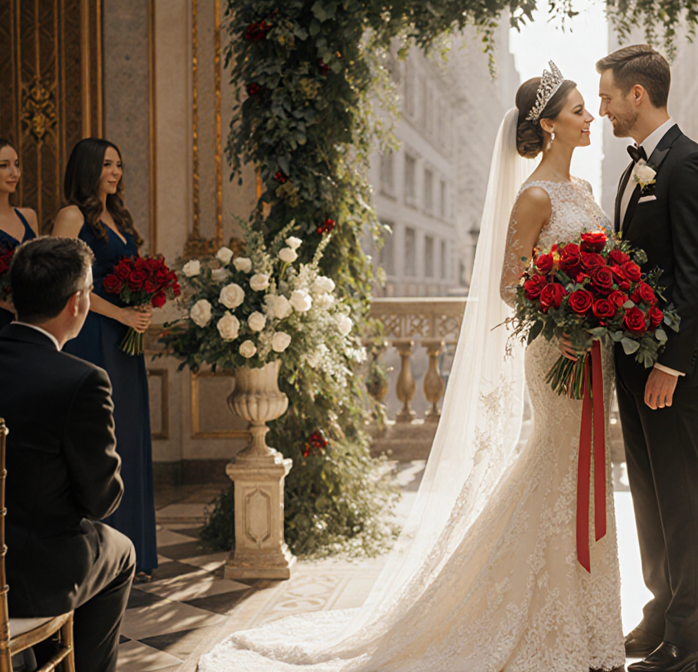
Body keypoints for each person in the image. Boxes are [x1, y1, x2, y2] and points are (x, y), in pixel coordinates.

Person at [200, 63, 624, 671]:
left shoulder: (582, 192)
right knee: (556, 463)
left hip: (595, 353)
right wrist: (565, 325)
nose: (590, 119)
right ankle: (524, 609)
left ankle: (583, 621)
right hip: (557, 351)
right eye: (580, 110)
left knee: (584, 469)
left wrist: (605, 310)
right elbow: (511, 283)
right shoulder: (534, 196)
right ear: (550, 124)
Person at [598, 44, 698, 672]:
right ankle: (660, 610)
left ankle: (691, 640)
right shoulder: (633, 170)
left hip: (672, 368)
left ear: (637, 96)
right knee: (648, 493)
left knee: (682, 494)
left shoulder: (690, 165)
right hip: (632, 360)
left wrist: (670, 366)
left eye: (607, 96)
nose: (603, 108)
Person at [0, 236, 135, 672]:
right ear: (77, 304)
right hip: (27, 581)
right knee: (120, 551)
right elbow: (101, 500)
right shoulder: (82, 381)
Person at [50, 138, 157, 580]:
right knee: (101, 440)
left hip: (123, 339)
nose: (116, 172)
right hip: (91, 336)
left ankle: (133, 552)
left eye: (119, 163)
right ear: (89, 167)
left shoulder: (119, 217)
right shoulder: (71, 215)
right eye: (107, 164)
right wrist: (123, 312)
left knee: (128, 437)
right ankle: (96, 557)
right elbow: (62, 280)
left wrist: (143, 305)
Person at [0, 137, 38, 336]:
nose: (14, 173)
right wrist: (8, 305)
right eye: (4, 166)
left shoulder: (29, 216)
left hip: (28, 321)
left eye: (16, 165)